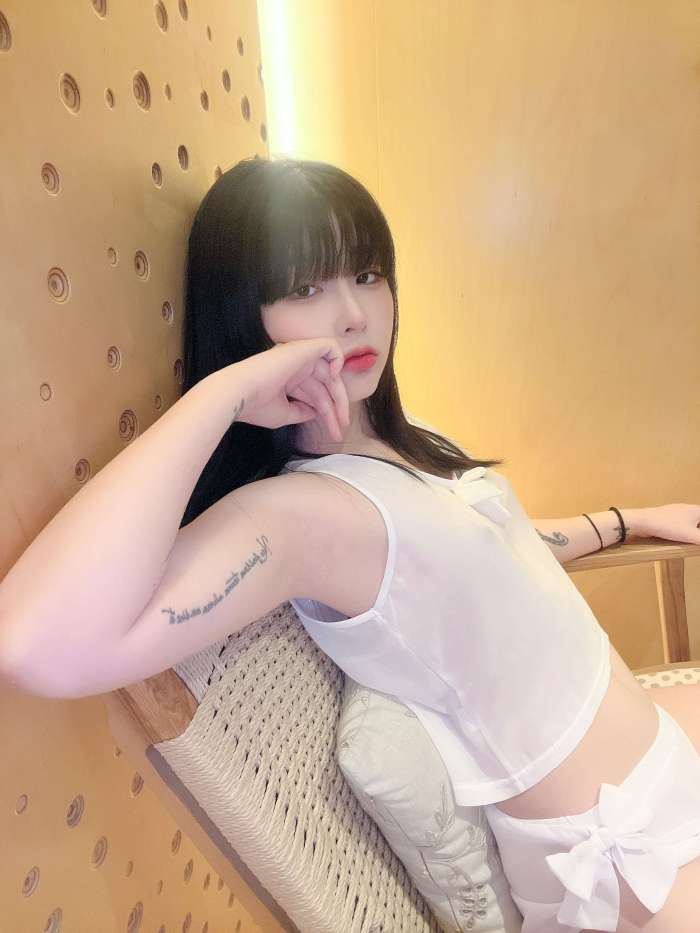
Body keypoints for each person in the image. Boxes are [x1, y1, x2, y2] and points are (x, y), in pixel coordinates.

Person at [2, 155, 700, 931]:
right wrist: (222, 394)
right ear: (243, 314)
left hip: (658, 750)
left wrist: (631, 519)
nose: (353, 315)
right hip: (622, 859)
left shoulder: (400, 436)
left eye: (367, 275)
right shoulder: (302, 516)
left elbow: (498, 560)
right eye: (304, 289)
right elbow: (32, 644)